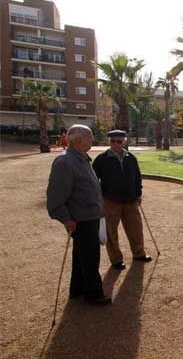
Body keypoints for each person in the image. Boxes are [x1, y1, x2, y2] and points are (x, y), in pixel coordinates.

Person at [47, 124, 111, 305]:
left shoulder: (81, 158)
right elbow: (55, 198)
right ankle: (93, 294)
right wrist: (66, 218)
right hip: (81, 219)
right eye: (90, 137)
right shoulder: (65, 162)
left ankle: (77, 289)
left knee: (81, 256)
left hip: (89, 217)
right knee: (90, 258)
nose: (93, 140)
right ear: (78, 140)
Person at [92, 130, 151, 271]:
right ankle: (116, 259)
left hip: (131, 201)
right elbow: (93, 181)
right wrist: (100, 198)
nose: (115, 144)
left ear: (124, 141)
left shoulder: (131, 158)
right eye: (112, 141)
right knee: (111, 232)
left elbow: (137, 177)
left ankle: (138, 253)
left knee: (136, 229)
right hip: (111, 202)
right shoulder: (101, 159)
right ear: (109, 142)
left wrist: (138, 195)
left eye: (119, 141)